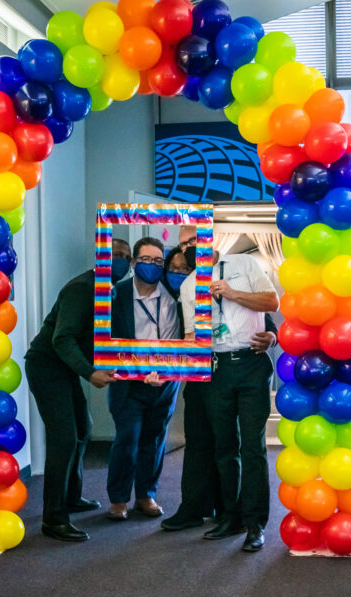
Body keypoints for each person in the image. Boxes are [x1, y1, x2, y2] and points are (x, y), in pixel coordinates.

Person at [161, 226, 279, 538]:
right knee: (225, 448)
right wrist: (159, 362)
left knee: (252, 447)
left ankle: (256, 524)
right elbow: (191, 337)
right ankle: (231, 516)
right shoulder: (188, 285)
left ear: (209, 239)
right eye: (184, 243)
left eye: (194, 240)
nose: (189, 246)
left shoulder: (244, 265)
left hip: (251, 364)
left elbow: (272, 302)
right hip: (216, 369)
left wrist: (231, 292)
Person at [25, 239, 131, 542]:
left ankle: (72, 497)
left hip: (65, 368)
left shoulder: (107, 290)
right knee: (64, 439)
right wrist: (90, 372)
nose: (121, 262)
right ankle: (54, 519)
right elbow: (63, 339)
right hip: (47, 367)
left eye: (126, 257)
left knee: (83, 429)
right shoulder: (82, 288)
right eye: (116, 255)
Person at [104, 237, 185, 520]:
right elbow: (106, 341)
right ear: (134, 263)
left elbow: (184, 339)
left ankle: (146, 495)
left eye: (158, 261)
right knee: (127, 439)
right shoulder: (115, 295)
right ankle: (118, 499)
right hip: (128, 382)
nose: (153, 265)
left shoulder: (176, 295)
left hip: (166, 382)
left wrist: (165, 373)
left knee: (155, 439)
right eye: (147, 260)